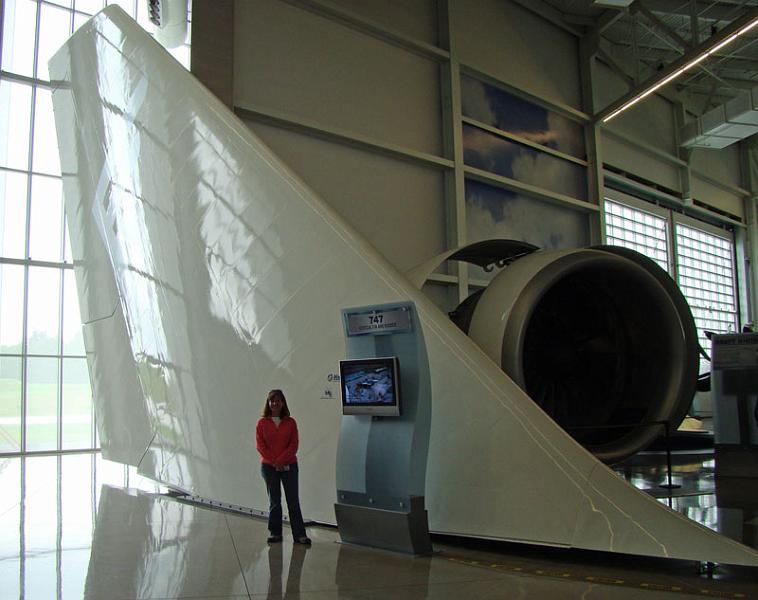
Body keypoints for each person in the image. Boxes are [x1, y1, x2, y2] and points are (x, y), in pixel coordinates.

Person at [256, 389, 311, 545]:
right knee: (274, 501)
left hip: (290, 467)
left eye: (278, 400)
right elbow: (260, 446)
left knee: (293, 501)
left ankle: (300, 534)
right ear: (268, 403)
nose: (275, 403)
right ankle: (275, 533)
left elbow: (294, 445)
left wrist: (282, 460)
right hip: (269, 467)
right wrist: (275, 461)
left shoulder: (290, 422)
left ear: (283, 403)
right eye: (272, 400)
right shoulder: (262, 423)